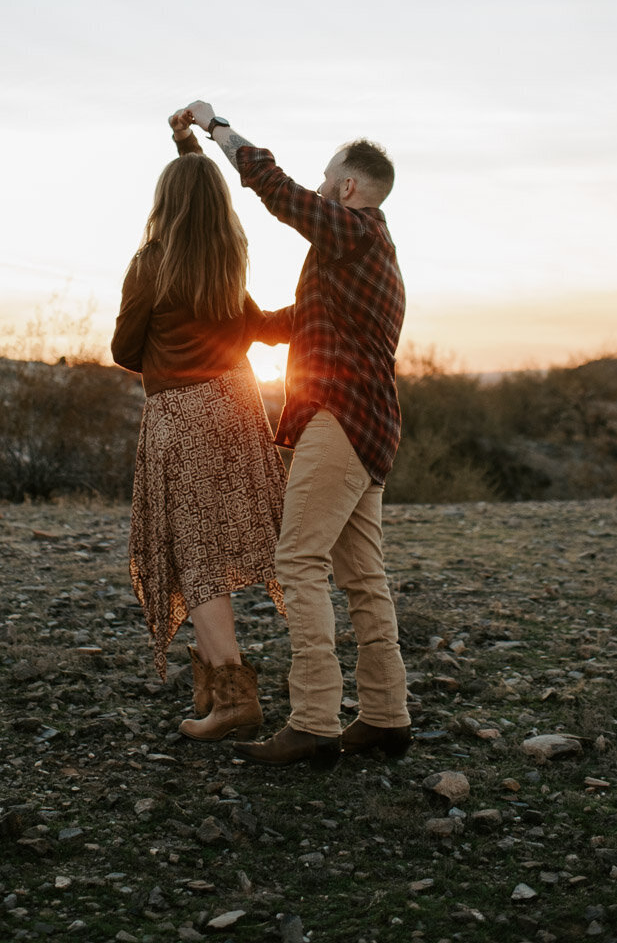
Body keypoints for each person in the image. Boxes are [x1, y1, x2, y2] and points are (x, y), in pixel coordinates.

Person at [180, 100, 411, 768]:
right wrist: (240, 320)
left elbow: (273, 188)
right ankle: (386, 717)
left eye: (324, 182)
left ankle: (312, 721)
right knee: (363, 576)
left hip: (340, 421)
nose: (314, 191)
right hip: (368, 428)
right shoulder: (364, 252)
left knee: (298, 563)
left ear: (345, 188)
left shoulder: (354, 231)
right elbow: (303, 322)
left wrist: (216, 127)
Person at [111, 109, 292, 742]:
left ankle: (234, 695)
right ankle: (238, 686)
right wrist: (187, 141)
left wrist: (163, 355)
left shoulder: (152, 263)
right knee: (227, 545)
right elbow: (257, 327)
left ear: (165, 202)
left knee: (196, 558)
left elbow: (123, 349)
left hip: (182, 417)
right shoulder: (227, 260)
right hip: (238, 409)